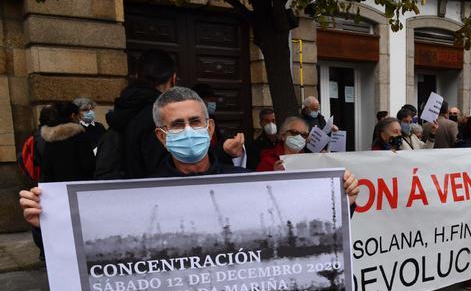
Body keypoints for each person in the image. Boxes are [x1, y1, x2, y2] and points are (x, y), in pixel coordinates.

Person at [20, 87, 360, 228]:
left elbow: (301, 221)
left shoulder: (247, 183)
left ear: (209, 128)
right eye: (177, 125)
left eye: (195, 122)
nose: (188, 130)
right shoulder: (138, 194)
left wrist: (342, 200)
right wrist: (52, 222)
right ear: (161, 136)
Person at [106, 49, 176, 179]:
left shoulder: (125, 106)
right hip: (155, 193)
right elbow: (161, 167)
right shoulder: (159, 114)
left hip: (127, 190)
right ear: (173, 78)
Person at [39, 101, 96, 182]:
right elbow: (88, 164)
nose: (80, 119)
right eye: (79, 116)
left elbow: (46, 167)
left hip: (56, 186)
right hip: (78, 186)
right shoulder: (79, 136)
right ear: (73, 116)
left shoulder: (49, 137)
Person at [192, 83, 246, 168]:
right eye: (209, 100)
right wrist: (223, 150)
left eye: (213, 100)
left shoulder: (211, 119)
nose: (212, 103)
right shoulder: (192, 126)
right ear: (199, 101)